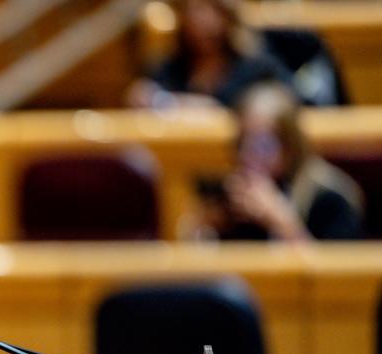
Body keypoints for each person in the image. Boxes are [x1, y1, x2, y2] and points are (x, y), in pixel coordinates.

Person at [192, 81, 363, 241]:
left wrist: (280, 221)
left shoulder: (330, 199)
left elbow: (338, 269)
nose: (247, 155)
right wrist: (205, 227)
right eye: (243, 142)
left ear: (290, 145)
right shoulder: (234, 201)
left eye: (262, 145)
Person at [128, 0, 294, 109]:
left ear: (227, 17)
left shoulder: (259, 68)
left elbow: (286, 105)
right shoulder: (170, 67)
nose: (203, 20)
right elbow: (146, 94)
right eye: (194, 11)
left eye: (211, 10)